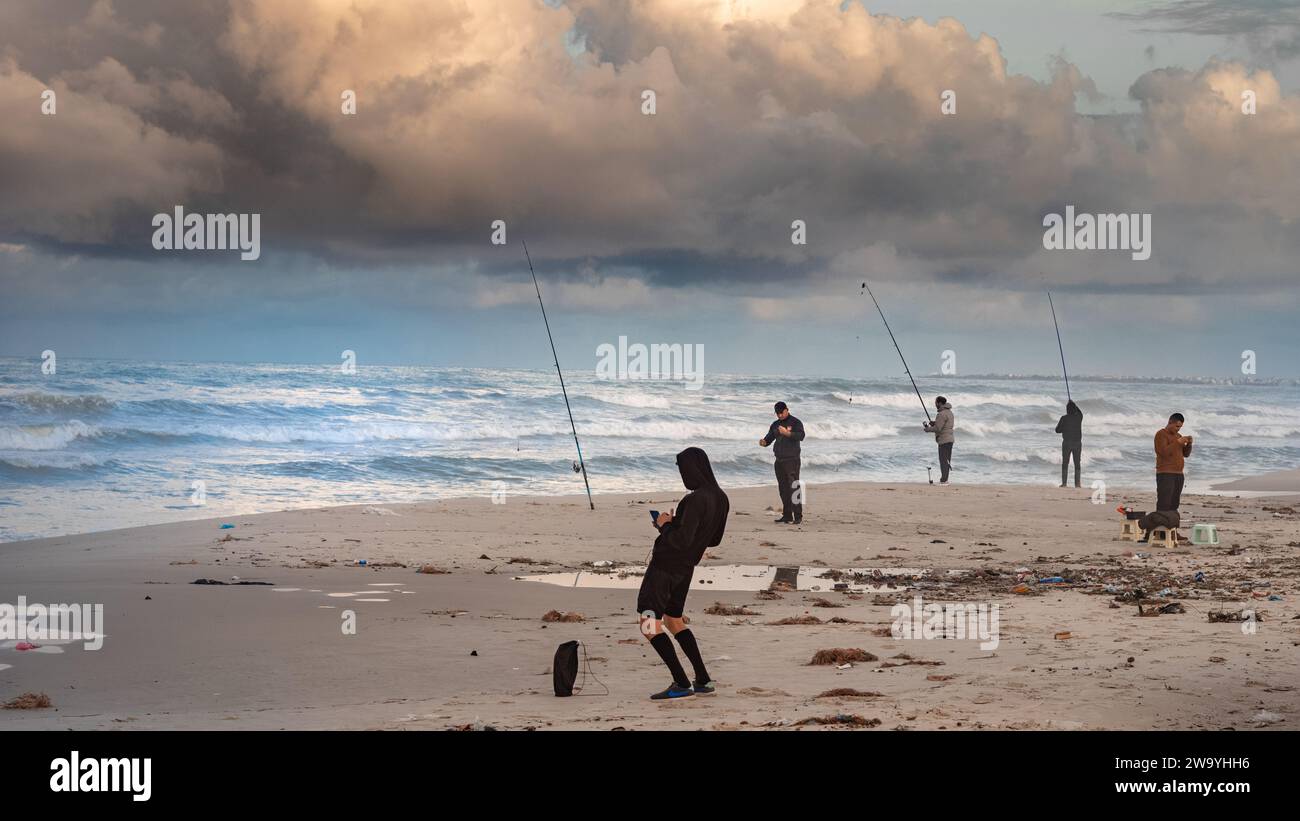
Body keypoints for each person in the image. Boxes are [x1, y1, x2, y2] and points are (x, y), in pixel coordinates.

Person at [637, 447, 730, 700]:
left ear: (691, 469)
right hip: (686, 568)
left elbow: (679, 540)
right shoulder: (721, 498)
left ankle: (680, 682)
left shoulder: (694, 499)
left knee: (648, 623)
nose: (683, 476)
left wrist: (665, 525)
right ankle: (703, 680)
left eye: (682, 470)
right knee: (673, 620)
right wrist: (680, 524)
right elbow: (714, 540)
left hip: (665, 567)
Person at [1139, 413, 1193, 542]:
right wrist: (1177, 442)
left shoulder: (1178, 437)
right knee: (1164, 504)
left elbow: (1186, 454)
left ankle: (1172, 531)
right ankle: (1152, 533)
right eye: (1176, 426)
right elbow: (1162, 452)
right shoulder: (1160, 434)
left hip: (1178, 474)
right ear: (1170, 422)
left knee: (1174, 504)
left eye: (1180, 427)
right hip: (1165, 473)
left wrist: (1189, 444)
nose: (1178, 429)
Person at [758, 401, 805, 523]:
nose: (779, 416)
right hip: (779, 460)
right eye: (777, 414)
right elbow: (768, 439)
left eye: (781, 413)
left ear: (786, 410)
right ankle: (787, 515)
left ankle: (798, 516)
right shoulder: (775, 424)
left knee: (794, 487)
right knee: (783, 489)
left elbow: (801, 436)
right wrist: (763, 442)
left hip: (792, 460)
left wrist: (787, 433)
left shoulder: (795, 422)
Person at [922, 396, 955, 484]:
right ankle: (945, 479)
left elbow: (938, 428)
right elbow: (944, 425)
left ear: (940, 403)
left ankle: (944, 480)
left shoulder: (941, 414)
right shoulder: (949, 412)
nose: (935, 404)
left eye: (936, 402)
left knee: (943, 460)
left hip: (944, 440)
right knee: (947, 460)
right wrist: (935, 423)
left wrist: (928, 429)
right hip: (949, 439)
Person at [1055, 400, 1083, 488]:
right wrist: (1074, 404)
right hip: (1077, 443)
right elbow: (1080, 412)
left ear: (1067, 409)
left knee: (1065, 463)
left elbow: (1057, 430)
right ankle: (1077, 484)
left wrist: (1064, 428)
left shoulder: (1064, 418)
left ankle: (1064, 483)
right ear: (1075, 409)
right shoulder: (1079, 417)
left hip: (1067, 443)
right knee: (1077, 464)